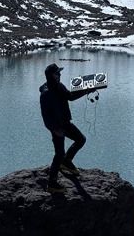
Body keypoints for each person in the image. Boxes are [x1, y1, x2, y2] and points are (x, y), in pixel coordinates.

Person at [39, 63, 93, 193]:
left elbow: (70, 96)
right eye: (58, 73)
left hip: (65, 123)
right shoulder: (45, 94)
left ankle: (67, 162)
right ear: (52, 75)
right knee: (59, 154)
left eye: (59, 72)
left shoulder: (59, 86)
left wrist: (86, 89)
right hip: (57, 127)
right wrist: (54, 129)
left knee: (80, 139)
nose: (60, 74)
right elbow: (45, 117)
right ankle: (52, 184)